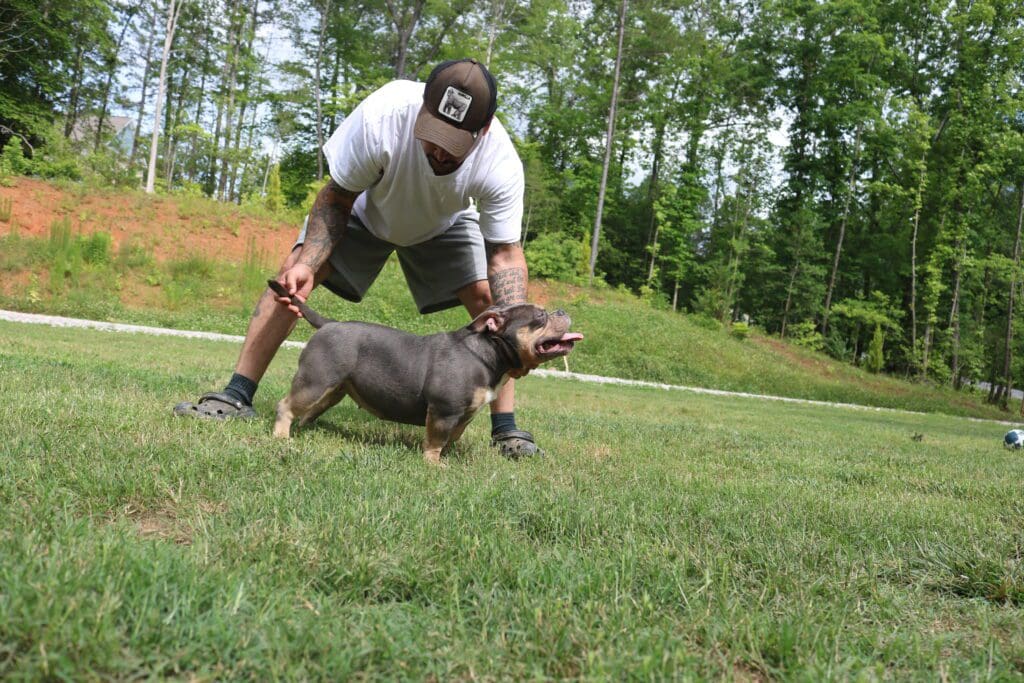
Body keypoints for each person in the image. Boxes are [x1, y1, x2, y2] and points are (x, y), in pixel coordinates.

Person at [173, 58, 542, 458]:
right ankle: (235, 395)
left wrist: (515, 333)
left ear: (482, 131)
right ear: (421, 107)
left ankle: (506, 431)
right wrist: (306, 264)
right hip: (366, 209)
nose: (437, 150)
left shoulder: (500, 161)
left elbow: (504, 255)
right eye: (431, 134)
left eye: (452, 145)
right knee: (293, 277)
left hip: (444, 223)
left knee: (492, 304)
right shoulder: (382, 113)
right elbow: (336, 198)